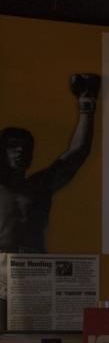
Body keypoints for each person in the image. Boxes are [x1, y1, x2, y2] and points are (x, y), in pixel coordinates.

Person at [0, 77, 98, 253]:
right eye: (13, 145)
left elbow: (78, 152)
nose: (20, 151)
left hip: (35, 269)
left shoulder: (38, 186)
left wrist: (87, 105)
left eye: (26, 147)